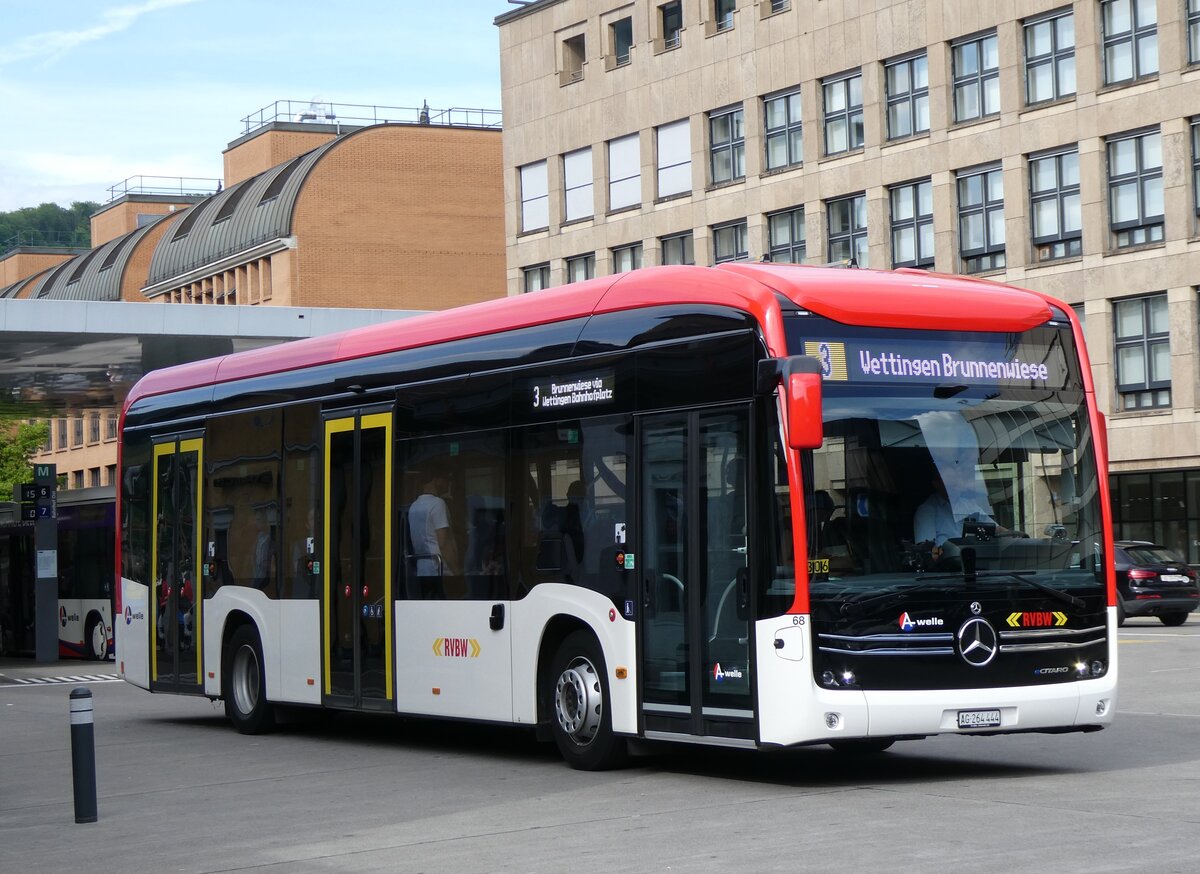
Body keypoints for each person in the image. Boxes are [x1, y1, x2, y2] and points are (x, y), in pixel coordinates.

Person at [408, 470, 458, 580]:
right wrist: (456, 571)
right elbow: (444, 544)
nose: (449, 484)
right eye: (447, 480)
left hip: (422, 568)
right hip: (440, 568)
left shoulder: (414, 506)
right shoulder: (437, 504)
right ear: (437, 480)